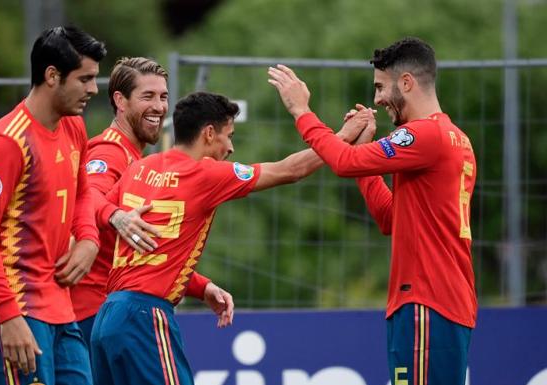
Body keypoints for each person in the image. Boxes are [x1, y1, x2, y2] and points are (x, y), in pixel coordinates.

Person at [90, 91, 370, 385]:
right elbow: (291, 169)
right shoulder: (206, 174)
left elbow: (100, 218)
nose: (231, 147)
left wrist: (199, 285)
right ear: (209, 134)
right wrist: (342, 137)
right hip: (146, 318)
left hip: (107, 316)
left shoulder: (139, 167)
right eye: (229, 135)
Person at [268, 37, 477, 385]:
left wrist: (301, 112)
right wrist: (364, 149)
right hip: (434, 301)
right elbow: (390, 217)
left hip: (428, 301)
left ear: (406, 82)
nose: (378, 99)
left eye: (381, 87)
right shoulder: (453, 137)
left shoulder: (424, 135)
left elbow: (344, 162)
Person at [0, 26, 106, 385]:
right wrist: (8, 315)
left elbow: (83, 192)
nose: (93, 89)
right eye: (85, 79)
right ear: (52, 75)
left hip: (58, 306)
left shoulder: (74, 127)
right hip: (12, 307)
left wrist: (89, 239)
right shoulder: (7, 143)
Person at [70, 57, 235, 349]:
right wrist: (116, 215)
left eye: (163, 97)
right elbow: (88, 198)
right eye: (148, 96)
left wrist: (200, 285)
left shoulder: (139, 160)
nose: (159, 107)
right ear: (120, 101)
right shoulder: (110, 152)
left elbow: (147, 249)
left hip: (108, 312)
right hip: (94, 311)